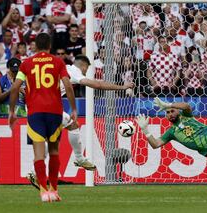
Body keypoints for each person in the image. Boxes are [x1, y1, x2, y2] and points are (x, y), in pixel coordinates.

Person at [26, 55, 135, 189]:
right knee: (67, 129)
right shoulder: (74, 71)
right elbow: (97, 84)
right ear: (83, 65)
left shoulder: (59, 68)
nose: (86, 71)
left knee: (68, 128)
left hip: (34, 105)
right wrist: (122, 87)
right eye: (87, 69)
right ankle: (76, 159)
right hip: (46, 106)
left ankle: (37, 170)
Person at [8, 33, 77, 202]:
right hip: (54, 112)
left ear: (35, 47)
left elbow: (16, 87)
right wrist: (73, 108)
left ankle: (43, 191)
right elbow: (67, 85)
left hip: (35, 112)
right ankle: (54, 190)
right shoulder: (58, 62)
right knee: (54, 151)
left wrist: (12, 112)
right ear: (49, 46)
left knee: (39, 154)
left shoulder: (26, 64)